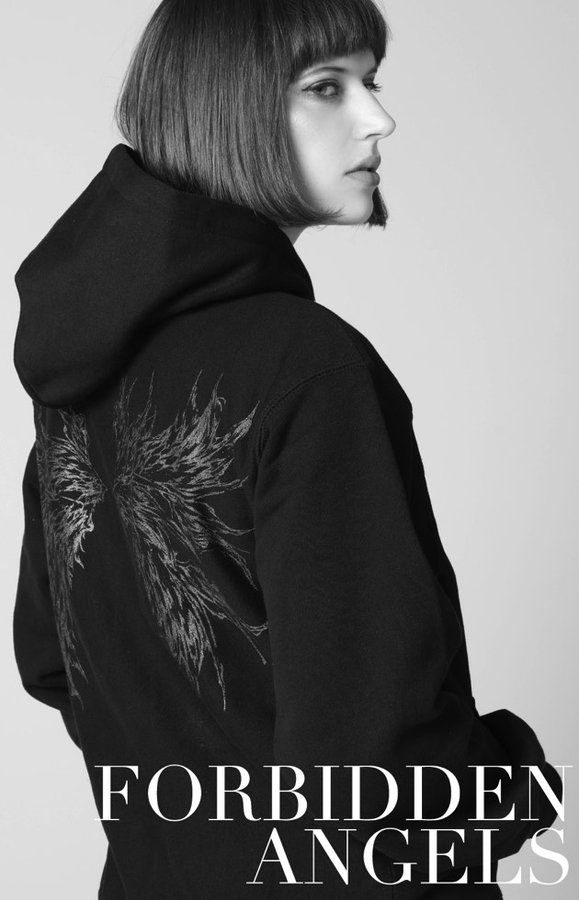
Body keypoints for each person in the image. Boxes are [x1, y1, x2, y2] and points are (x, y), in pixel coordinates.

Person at [12, 0, 562, 897]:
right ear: (227, 105)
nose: (378, 119)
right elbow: (377, 767)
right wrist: (511, 779)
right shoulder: (307, 369)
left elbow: (53, 661)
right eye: (325, 87)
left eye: (370, 82)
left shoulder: (76, 384)